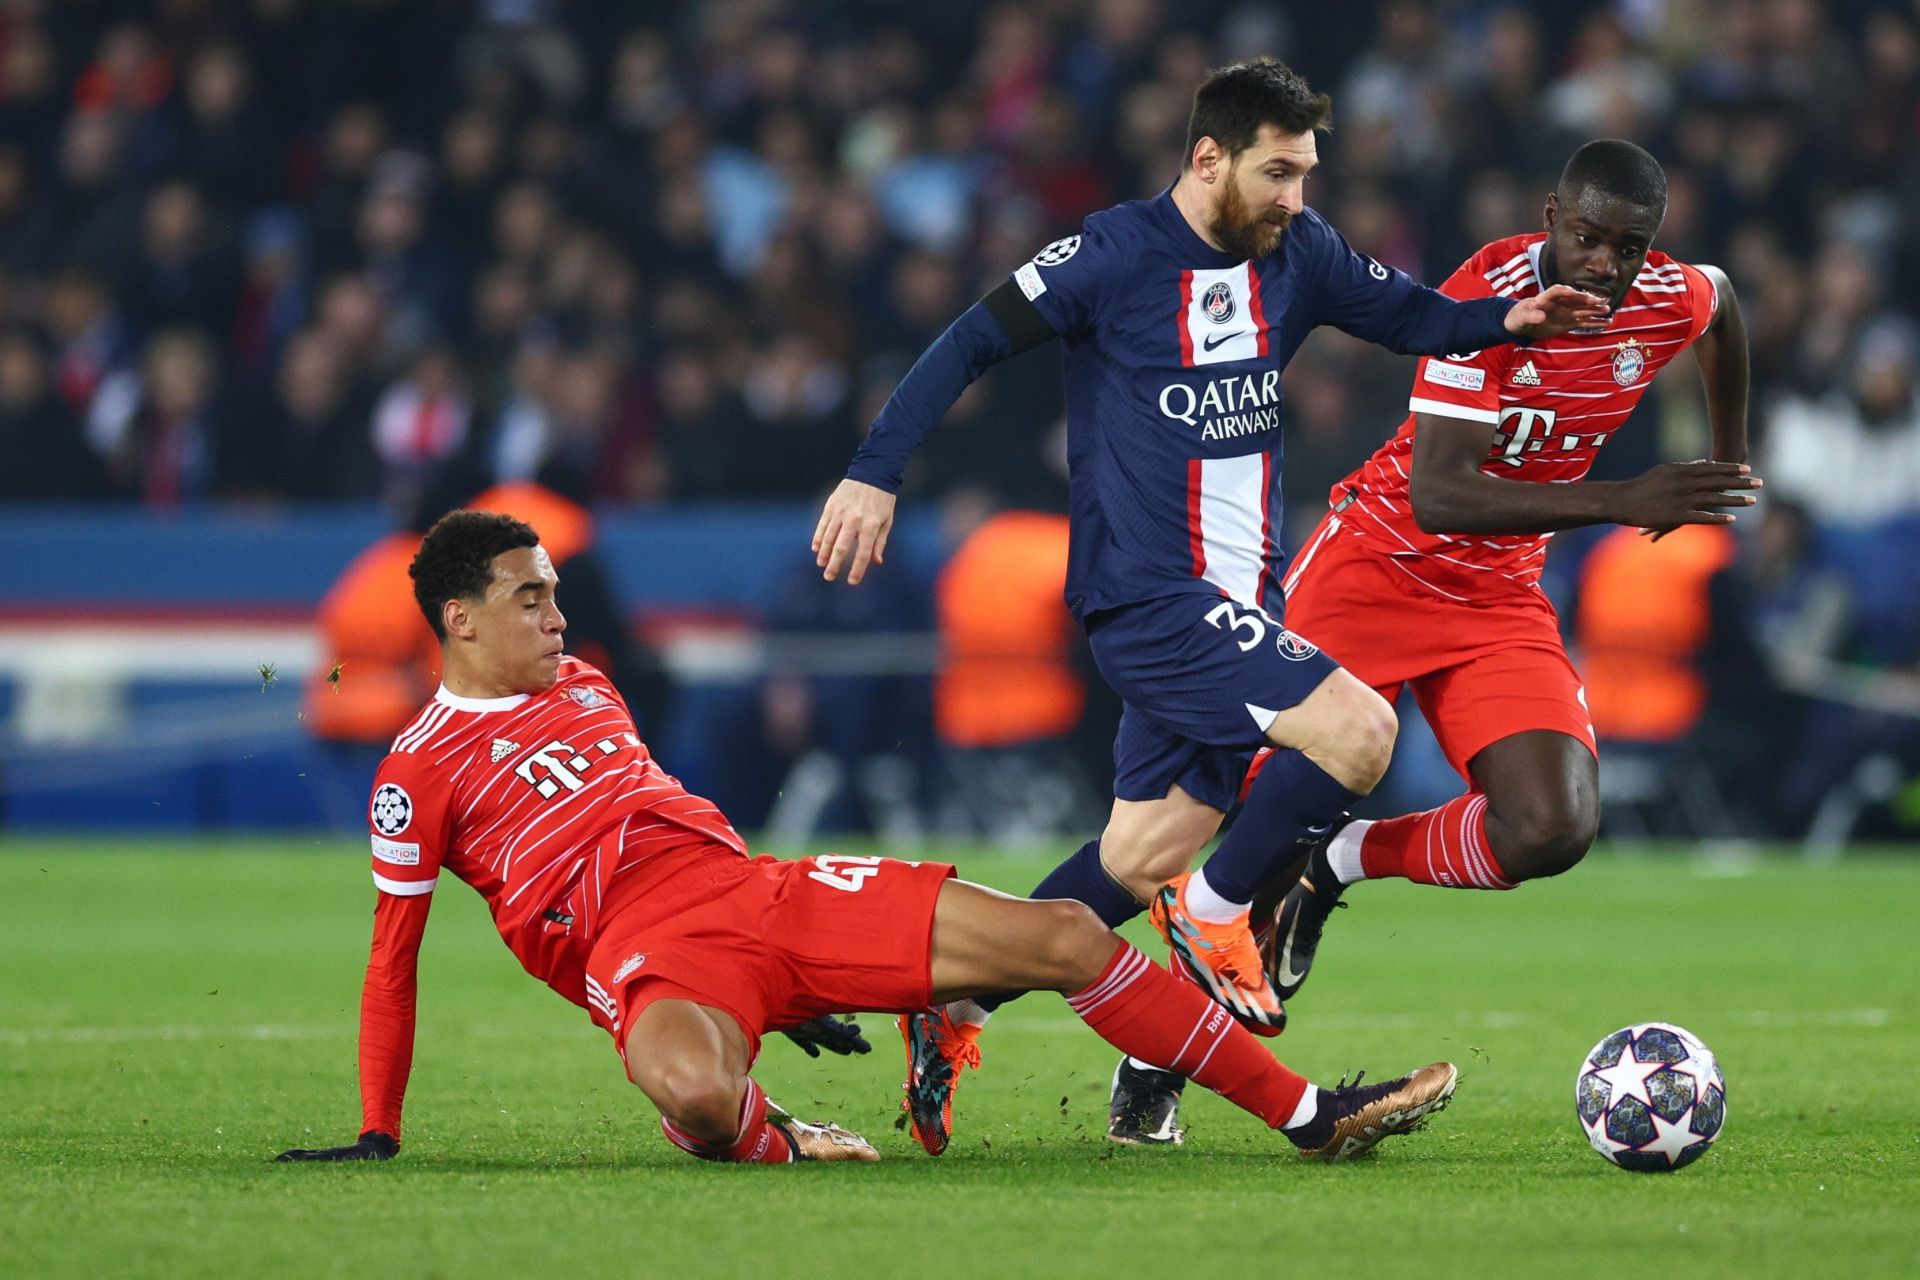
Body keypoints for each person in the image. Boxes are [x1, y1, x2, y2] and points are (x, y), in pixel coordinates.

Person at [810, 58, 1604, 1151]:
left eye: (1306, 173)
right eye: (1277, 173)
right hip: (1148, 598)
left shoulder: (1301, 253)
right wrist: (875, 470)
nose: (1295, 195)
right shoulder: (1112, 254)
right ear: (1207, 158)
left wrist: (1502, 320)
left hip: (1236, 603)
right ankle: (1224, 911)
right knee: (1359, 729)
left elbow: (1405, 314)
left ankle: (952, 1002)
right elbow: (969, 339)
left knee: (1137, 856)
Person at [275, 511, 1461, 1167]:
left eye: (553, 589)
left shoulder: (590, 683)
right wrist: (379, 1130)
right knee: (692, 1095)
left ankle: (1313, 1115)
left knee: (1057, 933)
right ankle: (776, 1136)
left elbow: (660, 812)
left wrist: (787, 979)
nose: (558, 610)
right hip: (653, 961)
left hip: (756, 891)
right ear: (459, 619)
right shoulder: (414, 770)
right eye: (530, 596)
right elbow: (394, 956)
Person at [1111, 139, 1755, 1141]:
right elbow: (1442, 491)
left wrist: (1729, 457)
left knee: (1551, 826)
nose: (1604, 262)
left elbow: (1722, 308)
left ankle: (1346, 860)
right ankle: (1153, 1064)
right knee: (1243, 856)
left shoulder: (1667, 294)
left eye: (1628, 247)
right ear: (1551, 214)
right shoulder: (1489, 297)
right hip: (1376, 567)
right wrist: (1628, 496)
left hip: (1497, 596)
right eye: (1586, 235)